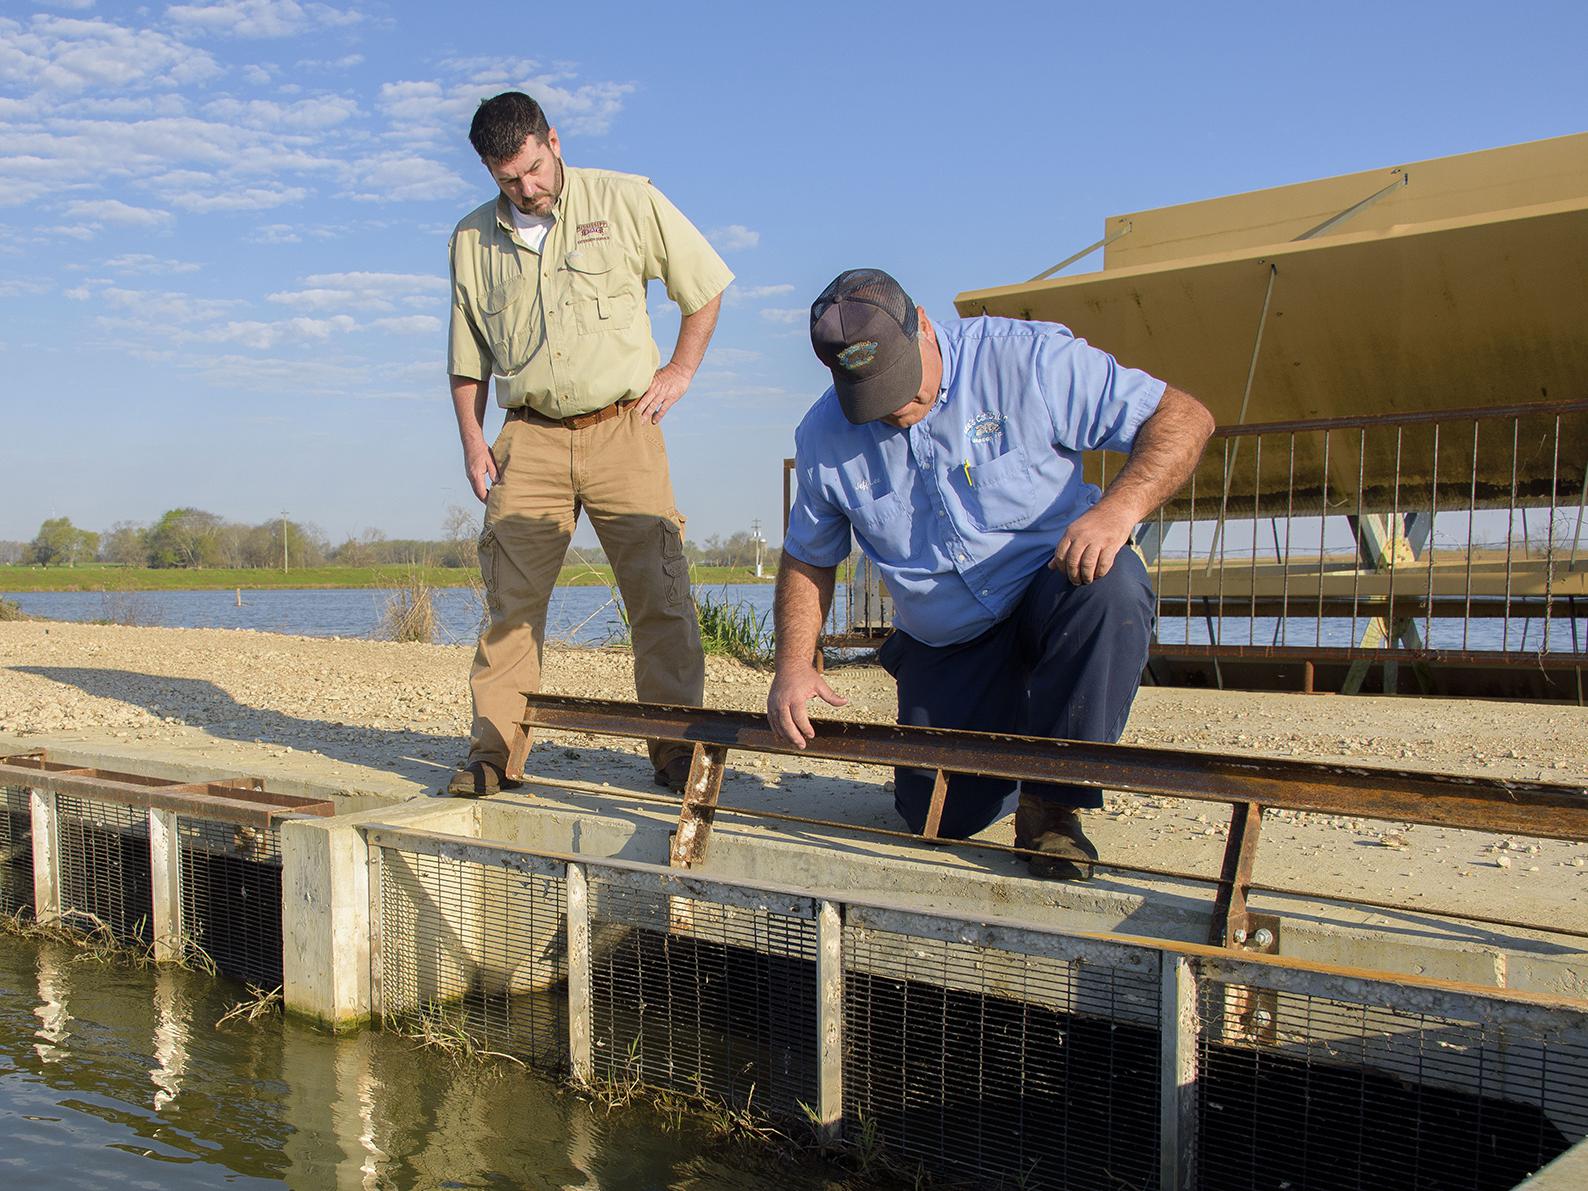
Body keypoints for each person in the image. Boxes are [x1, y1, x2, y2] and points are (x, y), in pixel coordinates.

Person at [767, 269, 1213, 878]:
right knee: (940, 818)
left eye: (903, 382)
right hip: (949, 642)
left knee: (1113, 590)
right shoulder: (823, 436)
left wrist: (1117, 510)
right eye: (873, 396)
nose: (899, 409)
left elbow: (1183, 416)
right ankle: (1013, 744)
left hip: (1050, 591)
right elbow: (809, 556)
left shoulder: (1028, 360)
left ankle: (1051, 805)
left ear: (921, 324)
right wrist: (793, 666)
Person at [446, 91, 733, 797]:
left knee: (661, 599)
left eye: (536, 169)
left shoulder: (627, 199)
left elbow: (705, 284)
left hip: (624, 429)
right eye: (510, 179)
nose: (528, 188)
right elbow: (465, 358)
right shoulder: (470, 240)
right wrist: (473, 441)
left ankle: (676, 755)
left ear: (555, 140)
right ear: (489, 172)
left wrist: (680, 369)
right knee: (511, 606)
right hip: (529, 440)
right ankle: (494, 757)